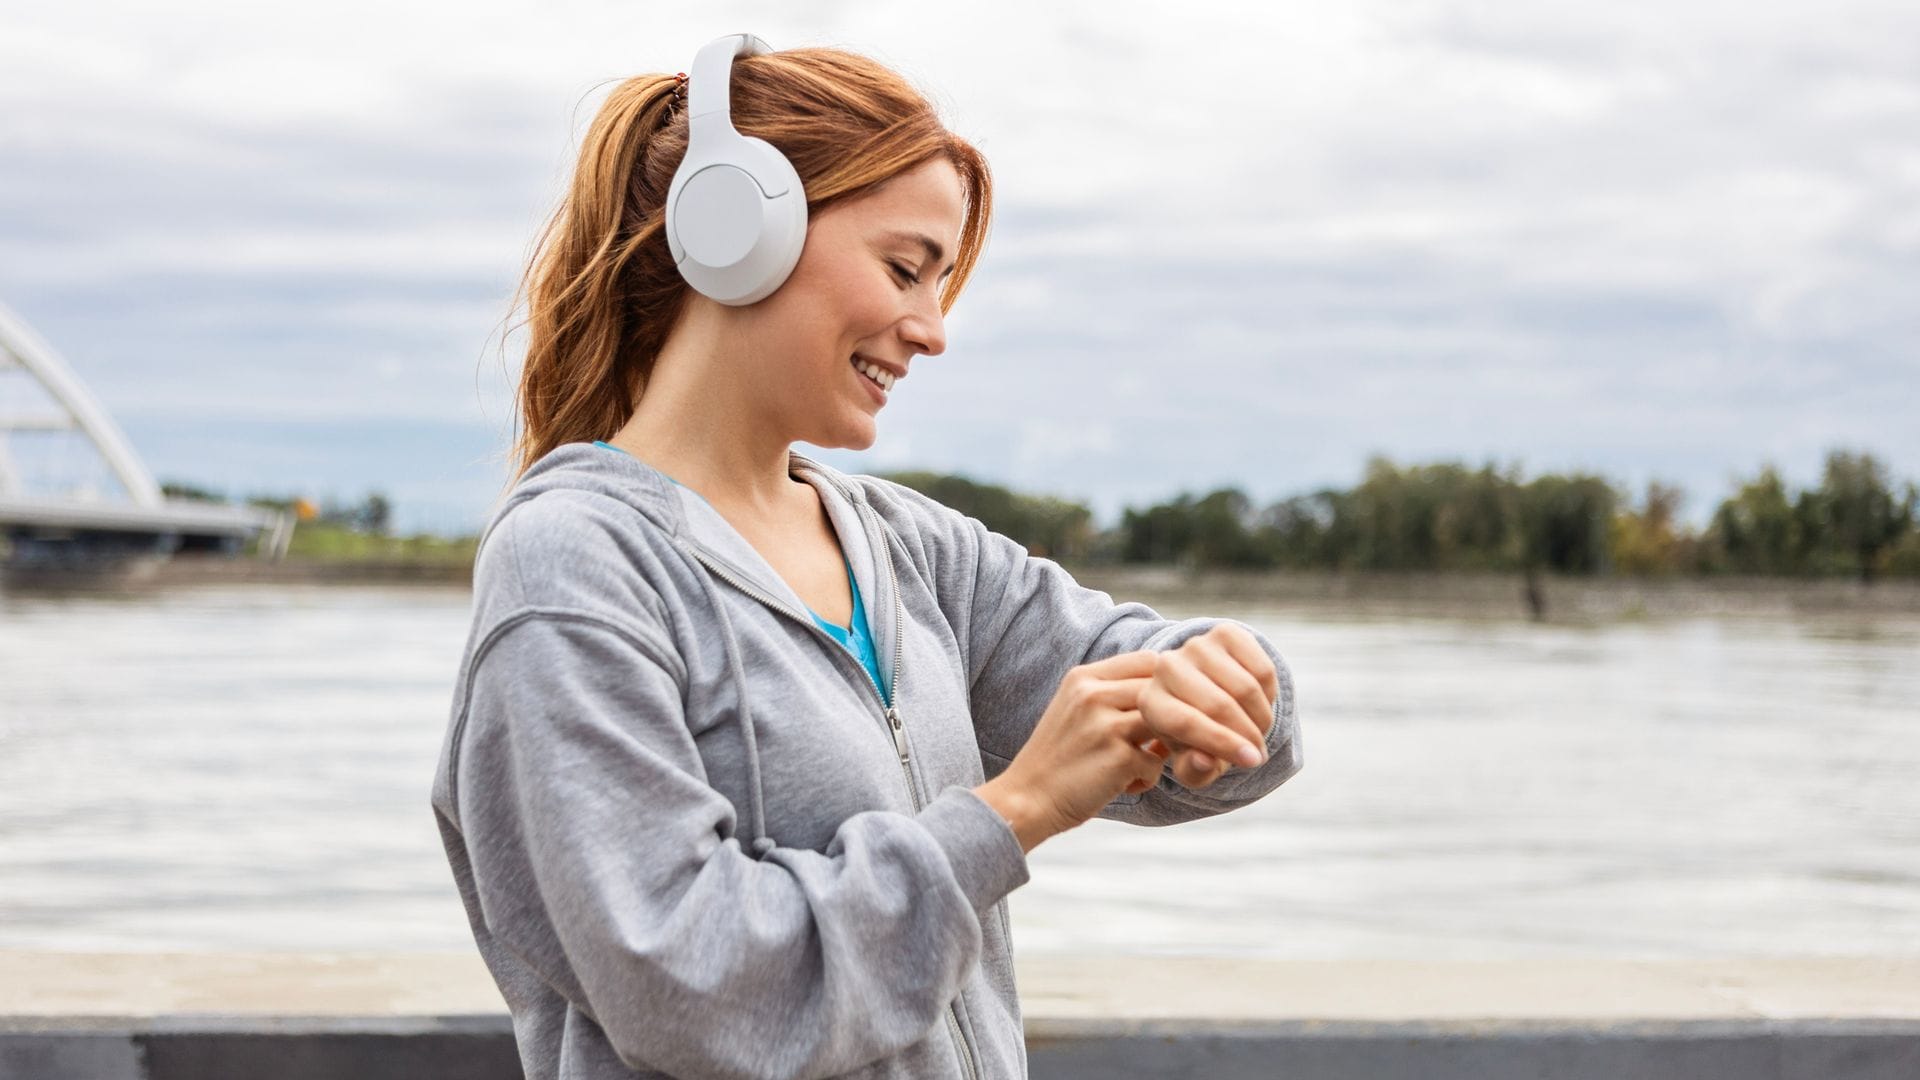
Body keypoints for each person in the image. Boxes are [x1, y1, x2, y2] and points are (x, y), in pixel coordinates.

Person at [429, 34, 1305, 1080]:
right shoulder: (573, 570)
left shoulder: (909, 548)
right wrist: (1012, 812)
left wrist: (1227, 682)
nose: (932, 329)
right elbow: (691, 989)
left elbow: (1207, 718)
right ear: (733, 233)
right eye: (905, 269)